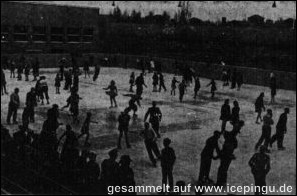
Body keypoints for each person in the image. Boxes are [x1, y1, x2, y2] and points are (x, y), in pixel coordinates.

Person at [216, 120, 245, 187]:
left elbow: (223, 131)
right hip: (228, 155)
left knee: (222, 169)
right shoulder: (233, 139)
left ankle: (220, 183)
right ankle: (222, 183)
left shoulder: (229, 136)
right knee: (224, 169)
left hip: (226, 155)